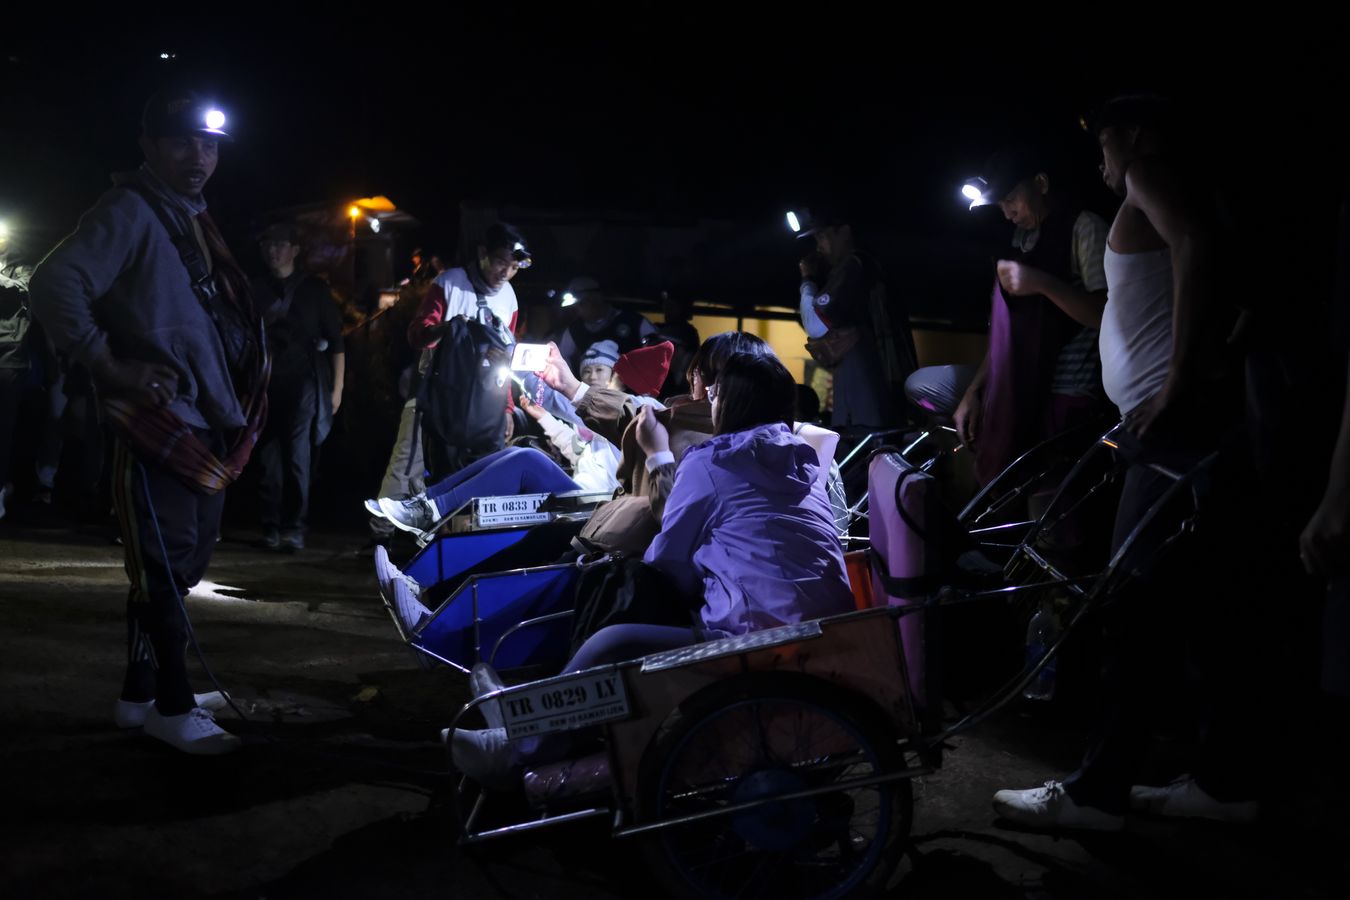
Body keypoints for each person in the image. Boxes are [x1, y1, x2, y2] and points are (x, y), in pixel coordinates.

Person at [992, 95, 1255, 828]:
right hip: (1177, 429)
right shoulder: (1182, 182)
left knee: (1127, 612)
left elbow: (1196, 242)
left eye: (1102, 141)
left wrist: (1173, 382)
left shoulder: (1146, 172)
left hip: (1172, 431)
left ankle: (1097, 793)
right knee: (1203, 611)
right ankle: (1225, 784)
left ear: (1132, 132)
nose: (1100, 160)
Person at [450, 351, 854, 780]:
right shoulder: (806, 462)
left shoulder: (713, 462)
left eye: (714, 391)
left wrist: (659, 456)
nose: (706, 398)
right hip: (827, 632)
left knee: (615, 640)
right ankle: (524, 711)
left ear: (730, 403)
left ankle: (520, 745)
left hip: (754, 637)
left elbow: (666, 561)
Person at [28, 87, 268, 754]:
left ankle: (140, 694)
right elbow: (54, 283)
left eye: (210, 144)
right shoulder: (132, 208)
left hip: (203, 419)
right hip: (160, 418)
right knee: (162, 569)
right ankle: (172, 702)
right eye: (183, 142)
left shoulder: (189, 214)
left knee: (178, 566)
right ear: (149, 147)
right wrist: (109, 363)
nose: (200, 155)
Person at [949, 145, 1112, 483]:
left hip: (1070, 393)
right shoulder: (1020, 238)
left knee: (1053, 499)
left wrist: (1040, 283)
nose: (1007, 212)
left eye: (1010, 198)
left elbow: (1103, 314)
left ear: (1040, 183)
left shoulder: (1085, 227)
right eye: (999, 205)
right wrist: (975, 390)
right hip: (1021, 387)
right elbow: (1006, 335)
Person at [251, 222, 345, 551]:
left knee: (296, 454)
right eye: (267, 244)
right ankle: (270, 526)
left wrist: (337, 391)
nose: (272, 251)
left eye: (279, 244)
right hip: (264, 384)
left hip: (304, 384)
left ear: (295, 250)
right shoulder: (256, 289)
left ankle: (294, 526)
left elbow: (336, 343)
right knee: (265, 458)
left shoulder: (314, 290)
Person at [797, 206, 916, 431]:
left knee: (864, 447)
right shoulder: (871, 264)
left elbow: (815, 326)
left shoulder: (854, 265)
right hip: (880, 386)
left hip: (868, 386)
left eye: (822, 236)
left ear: (844, 231)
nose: (818, 246)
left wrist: (808, 281)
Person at [555, 276, 657, 371]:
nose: (577, 310)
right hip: (595, 389)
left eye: (582, 304)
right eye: (576, 306)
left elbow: (658, 352)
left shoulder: (633, 321)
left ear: (595, 300)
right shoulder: (575, 330)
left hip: (634, 387)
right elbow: (562, 358)